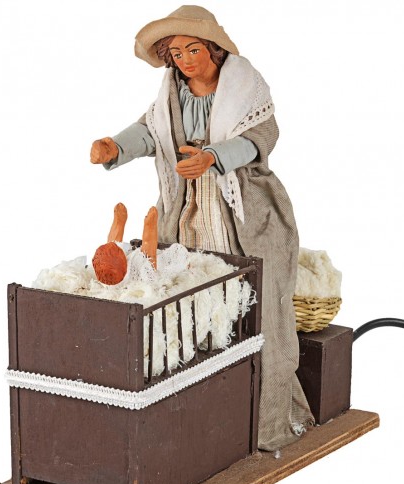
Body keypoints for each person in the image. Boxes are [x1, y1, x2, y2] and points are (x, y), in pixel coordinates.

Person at [90, 5, 313, 451]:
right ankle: (200, 417)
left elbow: (261, 139)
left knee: (259, 306)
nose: (186, 61)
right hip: (186, 215)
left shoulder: (245, 88)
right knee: (188, 303)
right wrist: (114, 146)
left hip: (240, 214)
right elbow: (151, 133)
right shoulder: (171, 97)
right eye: (176, 54)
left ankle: (267, 420)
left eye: (193, 50)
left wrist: (213, 157)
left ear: (213, 49)